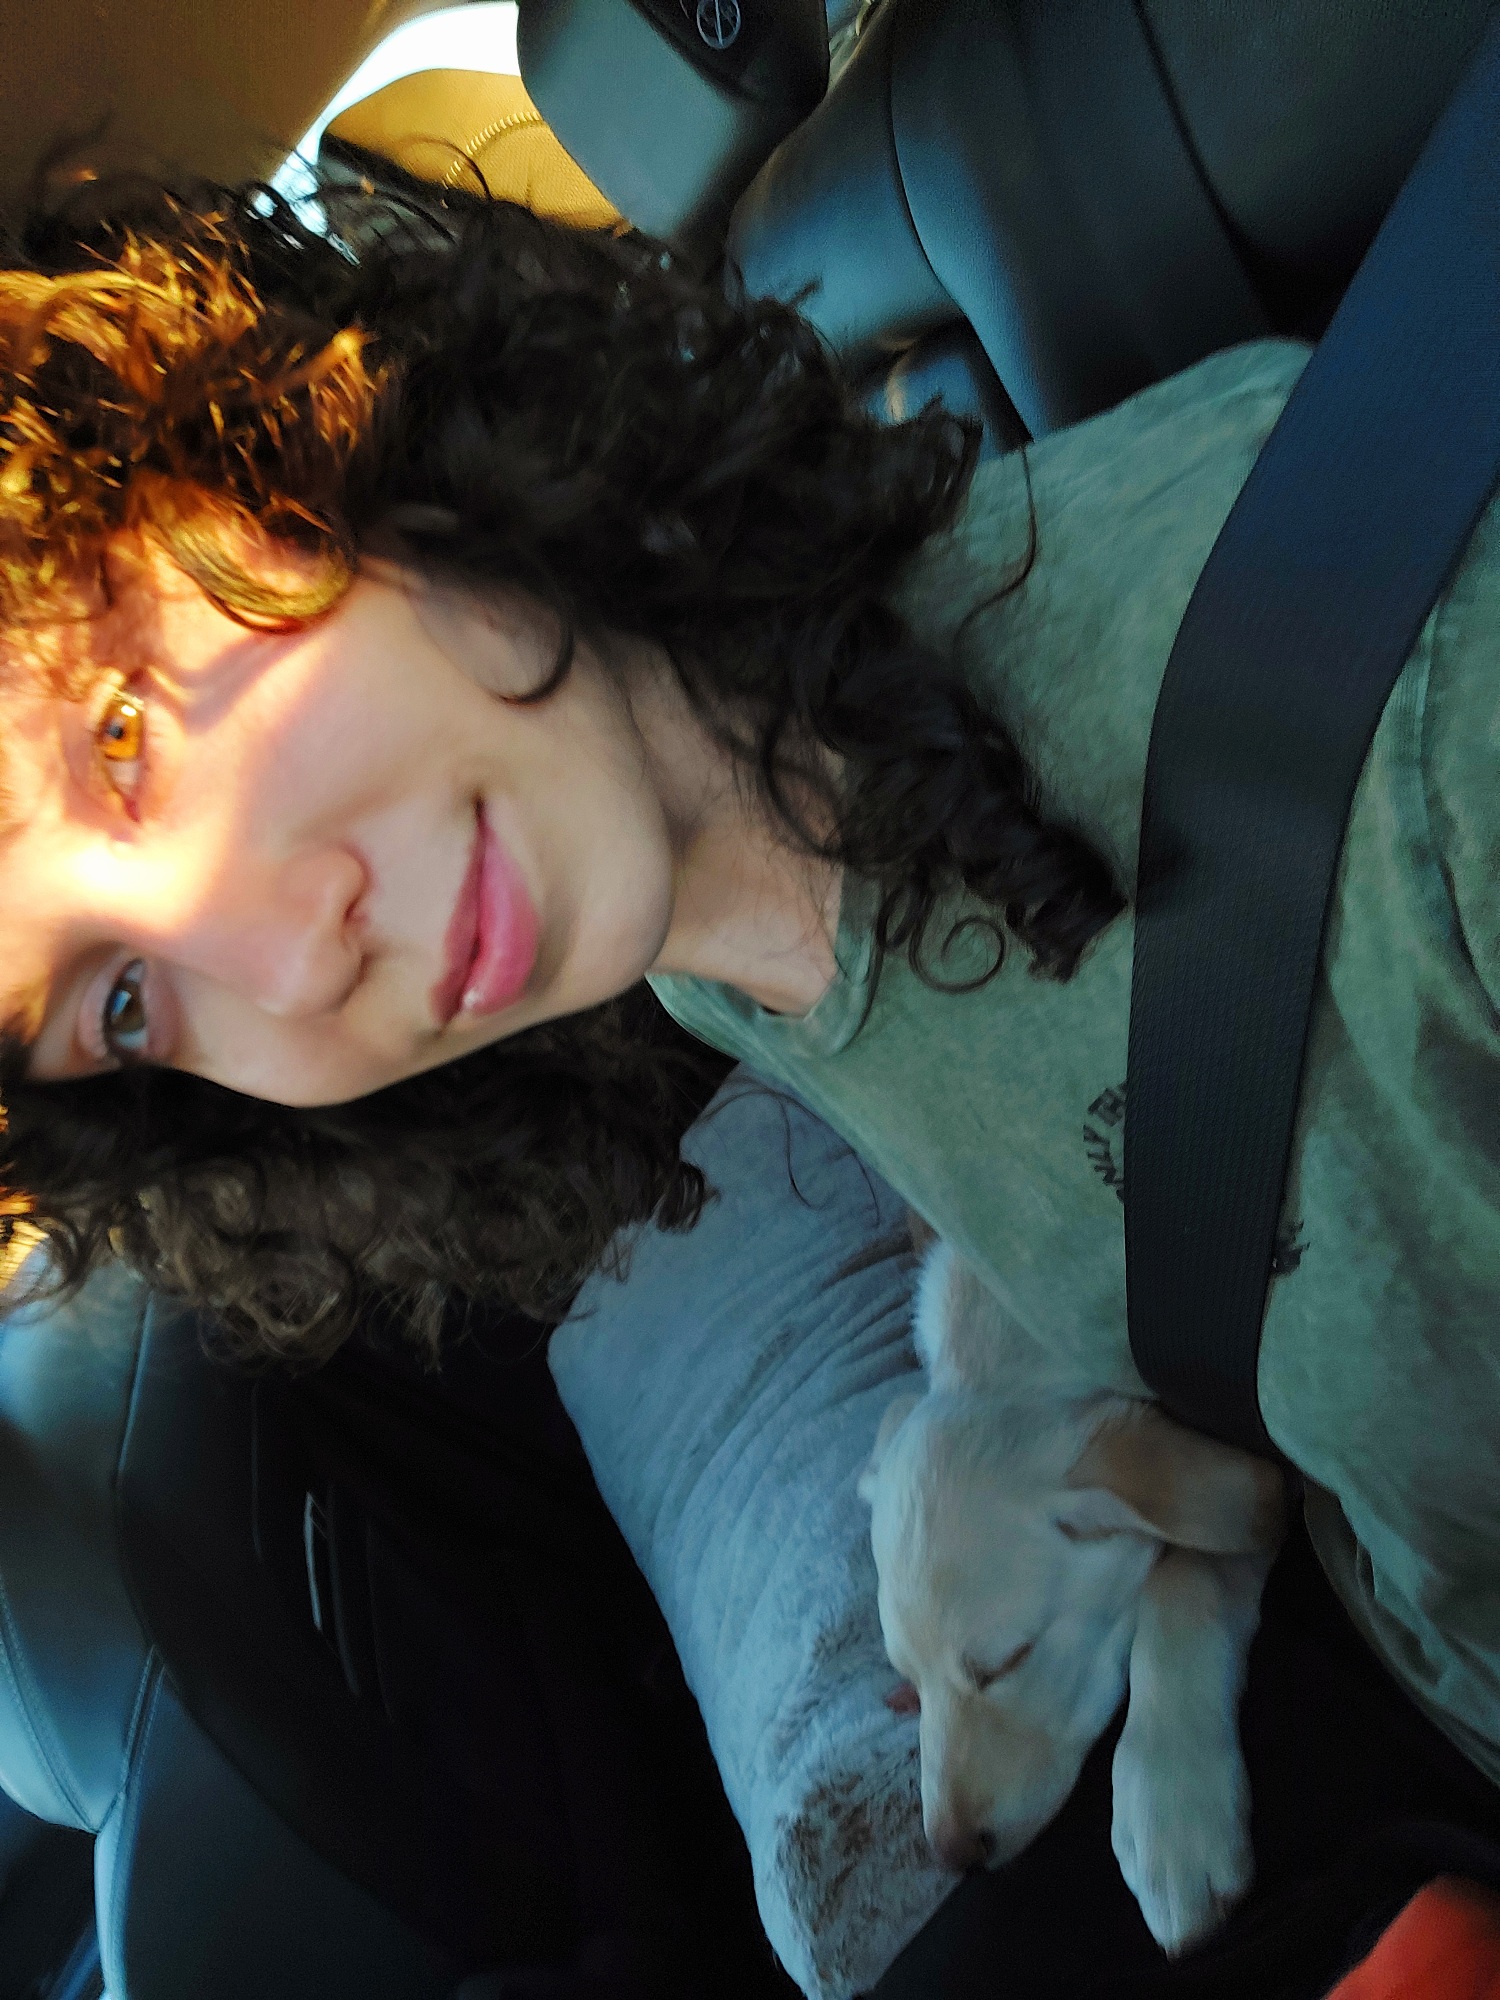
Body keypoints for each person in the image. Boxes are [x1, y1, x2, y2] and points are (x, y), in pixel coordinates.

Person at [1, 172, 1498, 1791]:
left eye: (125, 736)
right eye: (122, 1004)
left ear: (273, 449)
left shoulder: (1428, 723)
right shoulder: (719, 968)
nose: (300, 962)